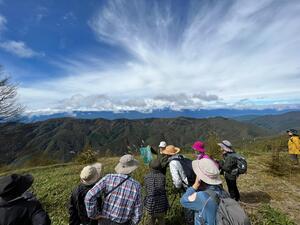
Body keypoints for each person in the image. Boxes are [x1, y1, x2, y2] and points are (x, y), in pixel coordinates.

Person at [85, 154, 142, 225]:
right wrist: (132, 223)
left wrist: (94, 215)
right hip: (123, 222)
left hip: (104, 221)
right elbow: (138, 212)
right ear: (132, 168)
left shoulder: (108, 178)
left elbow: (89, 196)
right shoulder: (136, 185)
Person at [180, 158, 229, 225]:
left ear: (200, 177)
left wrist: (195, 186)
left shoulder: (202, 196)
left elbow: (183, 201)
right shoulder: (221, 190)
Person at [144, 159, 169, 225]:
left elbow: (146, 190)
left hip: (150, 204)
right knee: (161, 220)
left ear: (150, 167)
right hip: (162, 203)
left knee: (150, 221)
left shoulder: (146, 177)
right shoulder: (163, 177)